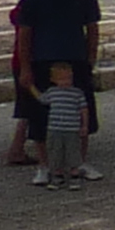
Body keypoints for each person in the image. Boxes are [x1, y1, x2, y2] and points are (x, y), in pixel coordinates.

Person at [10, 0, 99, 170]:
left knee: (81, 111)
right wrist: (26, 67)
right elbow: (25, 33)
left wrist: (90, 59)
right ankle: (46, 164)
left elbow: (92, 28)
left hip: (75, 58)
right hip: (43, 59)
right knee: (42, 115)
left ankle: (78, 162)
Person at [31, 58, 90, 188]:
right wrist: (31, 87)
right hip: (54, 128)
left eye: (69, 79)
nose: (66, 82)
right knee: (55, 152)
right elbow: (42, 99)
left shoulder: (77, 93)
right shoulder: (52, 92)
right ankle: (57, 176)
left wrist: (84, 125)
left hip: (72, 128)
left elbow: (83, 109)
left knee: (73, 152)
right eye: (62, 79)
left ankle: (74, 175)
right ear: (54, 80)